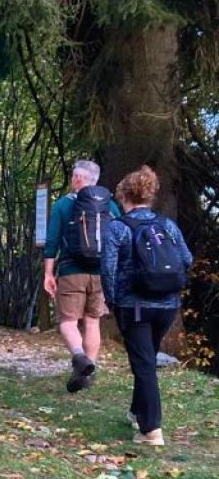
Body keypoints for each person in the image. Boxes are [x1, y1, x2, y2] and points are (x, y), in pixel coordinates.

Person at [101, 166, 192, 446]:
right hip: (167, 305)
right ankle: (137, 412)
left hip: (134, 305)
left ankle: (151, 430)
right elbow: (186, 259)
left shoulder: (117, 228)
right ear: (150, 196)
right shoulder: (167, 225)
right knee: (146, 358)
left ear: (123, 197)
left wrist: (112, 300)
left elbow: (108, 269)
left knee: (144, 365)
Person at [43, 160, 121, 392]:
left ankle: (79, 358)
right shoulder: (109, 205)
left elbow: (52, 242)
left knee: (67, 321)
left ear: (78, 178)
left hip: (71, 271)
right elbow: (118, 236)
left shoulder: (63, 205)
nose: (72, 179)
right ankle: (90, 369)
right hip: (100, 273)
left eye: (73, 175)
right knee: (92, 321)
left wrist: (48, 273)